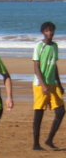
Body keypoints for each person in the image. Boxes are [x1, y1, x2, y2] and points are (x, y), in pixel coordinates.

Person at [31, 21, 63, 150]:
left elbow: (54, 66)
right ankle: (35, 144)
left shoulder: (55, 46)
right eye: (47, 30)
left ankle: (49, 140)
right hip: (40, 84)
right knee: (39, 113)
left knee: (61, 111)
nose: (50, 33)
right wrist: (43, 84)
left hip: (52, 84)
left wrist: (59, 84)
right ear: (43, 32)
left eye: (51, 30)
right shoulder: (39, 46)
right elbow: (36, 66)